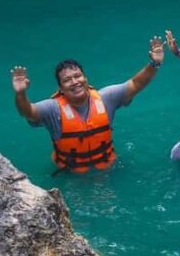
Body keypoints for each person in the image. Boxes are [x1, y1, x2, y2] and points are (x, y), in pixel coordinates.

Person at [11, 36, 164, 174]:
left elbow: (135, 84)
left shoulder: (106, 98)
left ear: (86, 78)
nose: (75, 82)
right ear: (61, 89)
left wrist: (154, 63)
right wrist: (20, 94)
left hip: (107, 170)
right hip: (70, 174)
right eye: (67, 80)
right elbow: (28, 112)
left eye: (77, 76)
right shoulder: (52, 109)